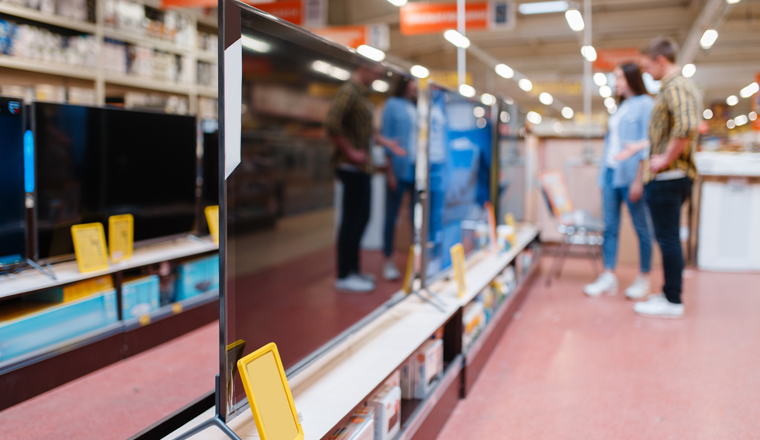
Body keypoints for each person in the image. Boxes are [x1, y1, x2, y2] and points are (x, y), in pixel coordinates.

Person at [631, 36, 699, 318]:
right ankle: (670, 292)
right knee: (668, 238)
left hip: (669, 177)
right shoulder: (674, 87)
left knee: (668, 239)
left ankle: (672, 300)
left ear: (660, 60)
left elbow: (686, 126)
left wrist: (665, 158)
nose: (646, 73)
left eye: (647, 66)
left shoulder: (676, 86)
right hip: (670, 177)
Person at [326, 63, 405, 293]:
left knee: (361, 219)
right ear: (364, 68)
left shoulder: (361, 94)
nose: (378, 77)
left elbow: (366, 131)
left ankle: (354, 270)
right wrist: (350, 152)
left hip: (363, 168)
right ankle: (344, 273)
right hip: (351, 168)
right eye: (377, 73)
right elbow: (332, 123)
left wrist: (387, 143)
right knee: (351, 221)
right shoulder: (348, 91)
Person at [584, 63, 654, 299]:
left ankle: (644, 277)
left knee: (641, 227)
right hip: (611, 174)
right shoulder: (620, 107)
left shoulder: (646, 104)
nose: (616, 83)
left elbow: (648, 145)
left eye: (620, 78)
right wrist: (602, 177)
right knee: (610, 227)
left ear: (632, 79)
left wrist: (638, 180)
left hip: (631, 175)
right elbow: (610, 145)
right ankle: (608, 275)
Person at [380, 78, 418, 280]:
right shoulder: (391, 105)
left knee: (416, 217)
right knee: (391, 216)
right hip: (398, 168)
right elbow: (387, 138)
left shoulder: (415, 106)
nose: (415, 87)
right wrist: (390, 171)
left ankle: (416, 262)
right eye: (412, 82)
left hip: (415, 169)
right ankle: (388, 260)